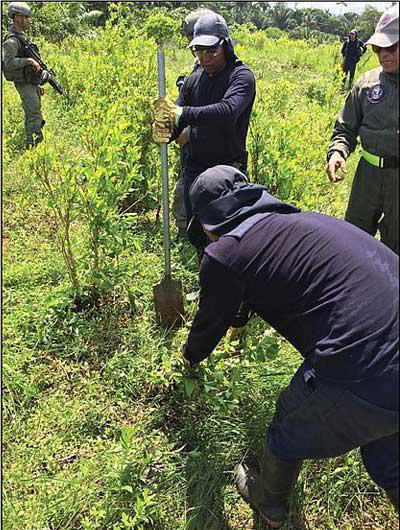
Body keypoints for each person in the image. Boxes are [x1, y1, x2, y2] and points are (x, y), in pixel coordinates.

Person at [181, 165, 398, 528]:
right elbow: (259, 283)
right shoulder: (294, 223)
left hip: (366, 360)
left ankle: (269, 503)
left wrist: (189, 356)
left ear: (206, 222)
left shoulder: (225, 254)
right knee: (389, 456)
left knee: (290, 422)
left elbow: (209, 322)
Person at [153, 12, 256, 250]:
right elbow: (177, 115)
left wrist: (183, 113)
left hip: (227, 171)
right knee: (198, 234)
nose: (205, 57)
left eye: (211, 51)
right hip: (196, 168)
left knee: (228, 237)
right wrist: (164, 127)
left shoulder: (241, 77)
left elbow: (227, 111)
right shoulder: (194, 78)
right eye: (198, 51)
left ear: (226, 45)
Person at [327, 4, 399, 255]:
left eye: (391, 47)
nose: (384, 55)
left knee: (394, 253)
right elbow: (345, 129)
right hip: (367, 177)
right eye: (379, 48)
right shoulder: (366, 84)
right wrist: (337, 152)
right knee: (353, 244)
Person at [172, 8, 218, 239]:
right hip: (194, 147)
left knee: (196, 192)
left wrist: (189, 130)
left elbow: (218, 110)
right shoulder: (200, 66)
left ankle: (196, 236)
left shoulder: (222, 69)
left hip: (209, 146)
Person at [2, 2, 45, 148]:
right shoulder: (11, 41)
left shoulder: (22, 38)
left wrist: (37, 84)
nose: (28, 20)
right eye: (25, 17)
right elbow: (9, 63)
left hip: (30, 80)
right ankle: (32, 143)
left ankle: (35, 140)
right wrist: (28, 60)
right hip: (22, 81)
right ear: (16, 18)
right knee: (32, 110)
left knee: (35, 108)